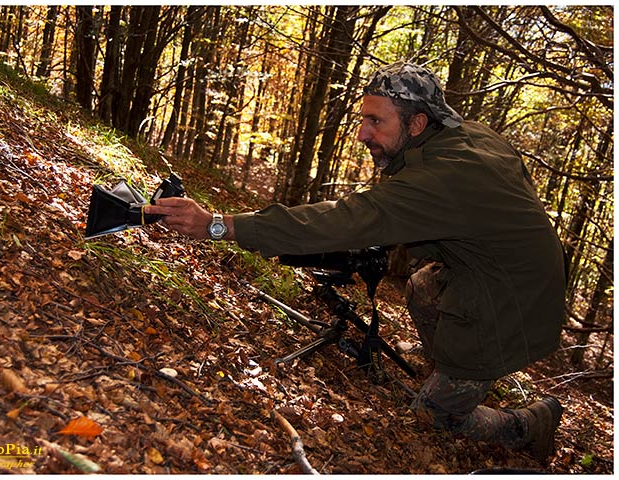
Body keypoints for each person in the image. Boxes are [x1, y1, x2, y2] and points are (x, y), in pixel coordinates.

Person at [144, 62, 566, 463]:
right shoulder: (465, 137)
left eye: (376, 122)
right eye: (363, 119)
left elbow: (344, 219)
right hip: (494, 271)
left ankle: (527, 423)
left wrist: (216, 225)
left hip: (509, 300)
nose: (362, 134)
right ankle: (450, 368)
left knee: (433, 417)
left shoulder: (446, 178)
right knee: (421, 287)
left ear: (417, 123)